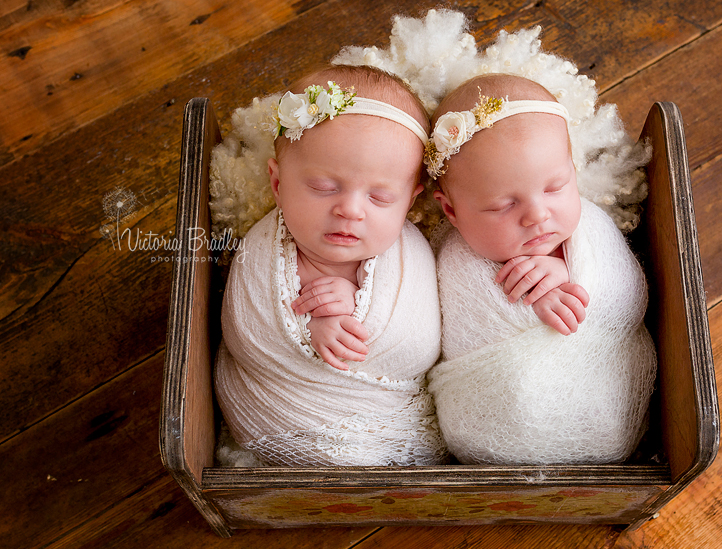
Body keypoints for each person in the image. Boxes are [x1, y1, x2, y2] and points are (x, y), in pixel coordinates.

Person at [214, 65, 448, 467]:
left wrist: (362, 309)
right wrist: (312, 328)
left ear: (411, 200)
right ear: (277, 184)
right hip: (286, 413)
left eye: (380, 198)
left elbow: (418, 342)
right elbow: (251, 331)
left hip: (392, 416)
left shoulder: (412, 256)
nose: (350, 210)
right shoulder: (262, 252)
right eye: (324, 188)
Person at [426, 73, 657, 465]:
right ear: (452, 211)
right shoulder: (452, 260)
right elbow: (447, 338)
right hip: (490, 431)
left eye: (555, 187)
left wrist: (571, 275)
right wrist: (527, 307)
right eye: (503, 205)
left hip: (607, 401)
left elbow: (630, 300)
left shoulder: (591, 231)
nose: (537, 215)